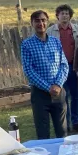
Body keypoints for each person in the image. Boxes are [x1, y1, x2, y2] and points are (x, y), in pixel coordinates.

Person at [21, 10, 68, 139]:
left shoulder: (55, 42)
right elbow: (29, 71)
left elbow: (64, 65)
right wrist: (48, 87)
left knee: (62, 132)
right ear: (32, 23)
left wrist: (58, 85)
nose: (40, 23)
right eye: (37, 21)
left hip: (59, 92)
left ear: (47, 22)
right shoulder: (26, 45)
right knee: (43, 134)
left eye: (43, 20)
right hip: (40, 94)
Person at [47, 4, 78, 133]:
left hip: (74, 66)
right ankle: (66, 124)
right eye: (62, 13)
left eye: (67, 13)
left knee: (75, 96)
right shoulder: (50, 31)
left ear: (70, 15)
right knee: (63, 96)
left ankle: (76, 121)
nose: (65, 16)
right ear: (57, 16)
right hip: (59, 69)